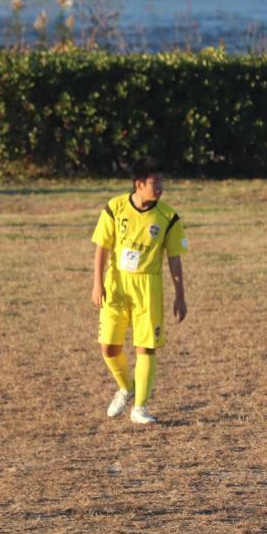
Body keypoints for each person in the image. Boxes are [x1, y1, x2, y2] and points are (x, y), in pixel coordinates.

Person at [90, 156, 188, 425]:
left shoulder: (168, 217)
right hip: (117, 284)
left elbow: (175, 259)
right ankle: (126, 388)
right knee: (108, 347)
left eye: (162, 182)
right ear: (139, 184)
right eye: (155, 182)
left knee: (146, 347)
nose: (160, 187)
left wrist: (180, 296)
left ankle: (140, 408)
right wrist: (97, 283)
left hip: (148, 287)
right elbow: (102, 247)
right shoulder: (115, 208)